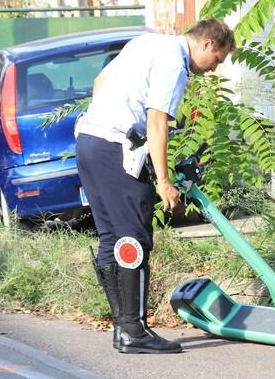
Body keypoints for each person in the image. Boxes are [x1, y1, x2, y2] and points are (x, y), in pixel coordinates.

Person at [76, 18, 235, 354]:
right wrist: (163, 180)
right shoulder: (174, 63)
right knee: (134, 237)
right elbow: (157, 120)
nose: (213, 69)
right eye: (217, 60)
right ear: (207, 43)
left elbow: (100, 80)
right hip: (117, 148)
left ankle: (123, 328)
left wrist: (107, 120)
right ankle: (135, 330)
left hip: (90, 139)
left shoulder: (147, 42)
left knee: (111, 236)